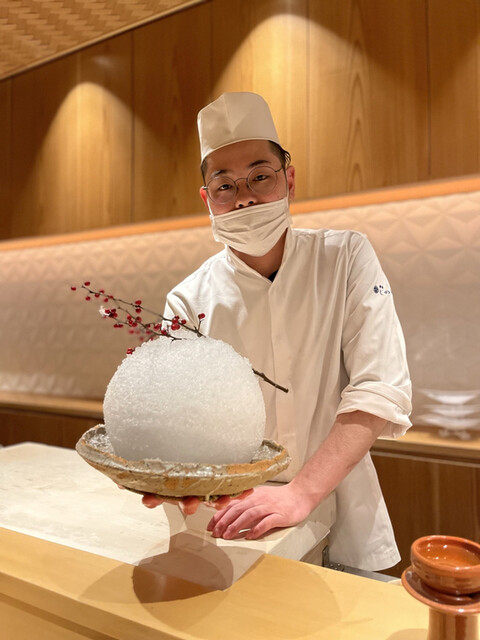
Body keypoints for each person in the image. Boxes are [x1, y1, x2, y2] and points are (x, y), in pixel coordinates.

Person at [143, 92, 412, 571]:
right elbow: (177, 418)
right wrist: (168, 469)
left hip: (338, 506)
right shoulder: (187, 300)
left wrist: (301, 492)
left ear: (289, 178)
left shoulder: (345, 257)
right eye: (225, 186)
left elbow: (379, 387)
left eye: (260, 177)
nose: (245, 197)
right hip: (231, 516)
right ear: (207, 200)